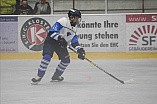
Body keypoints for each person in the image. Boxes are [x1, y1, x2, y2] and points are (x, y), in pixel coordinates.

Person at [31, 8, 85, 85]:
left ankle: (56, 76)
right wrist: (59, 38)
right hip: (51, 41)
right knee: (47, 57)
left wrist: (79, 50)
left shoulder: (75, 29)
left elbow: (74, 42)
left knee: (66, 61)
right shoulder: (63, 21)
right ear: (71, 17)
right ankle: (39, 76)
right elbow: (52, 32)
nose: (77, 20)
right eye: (76, 18)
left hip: (60, 45)